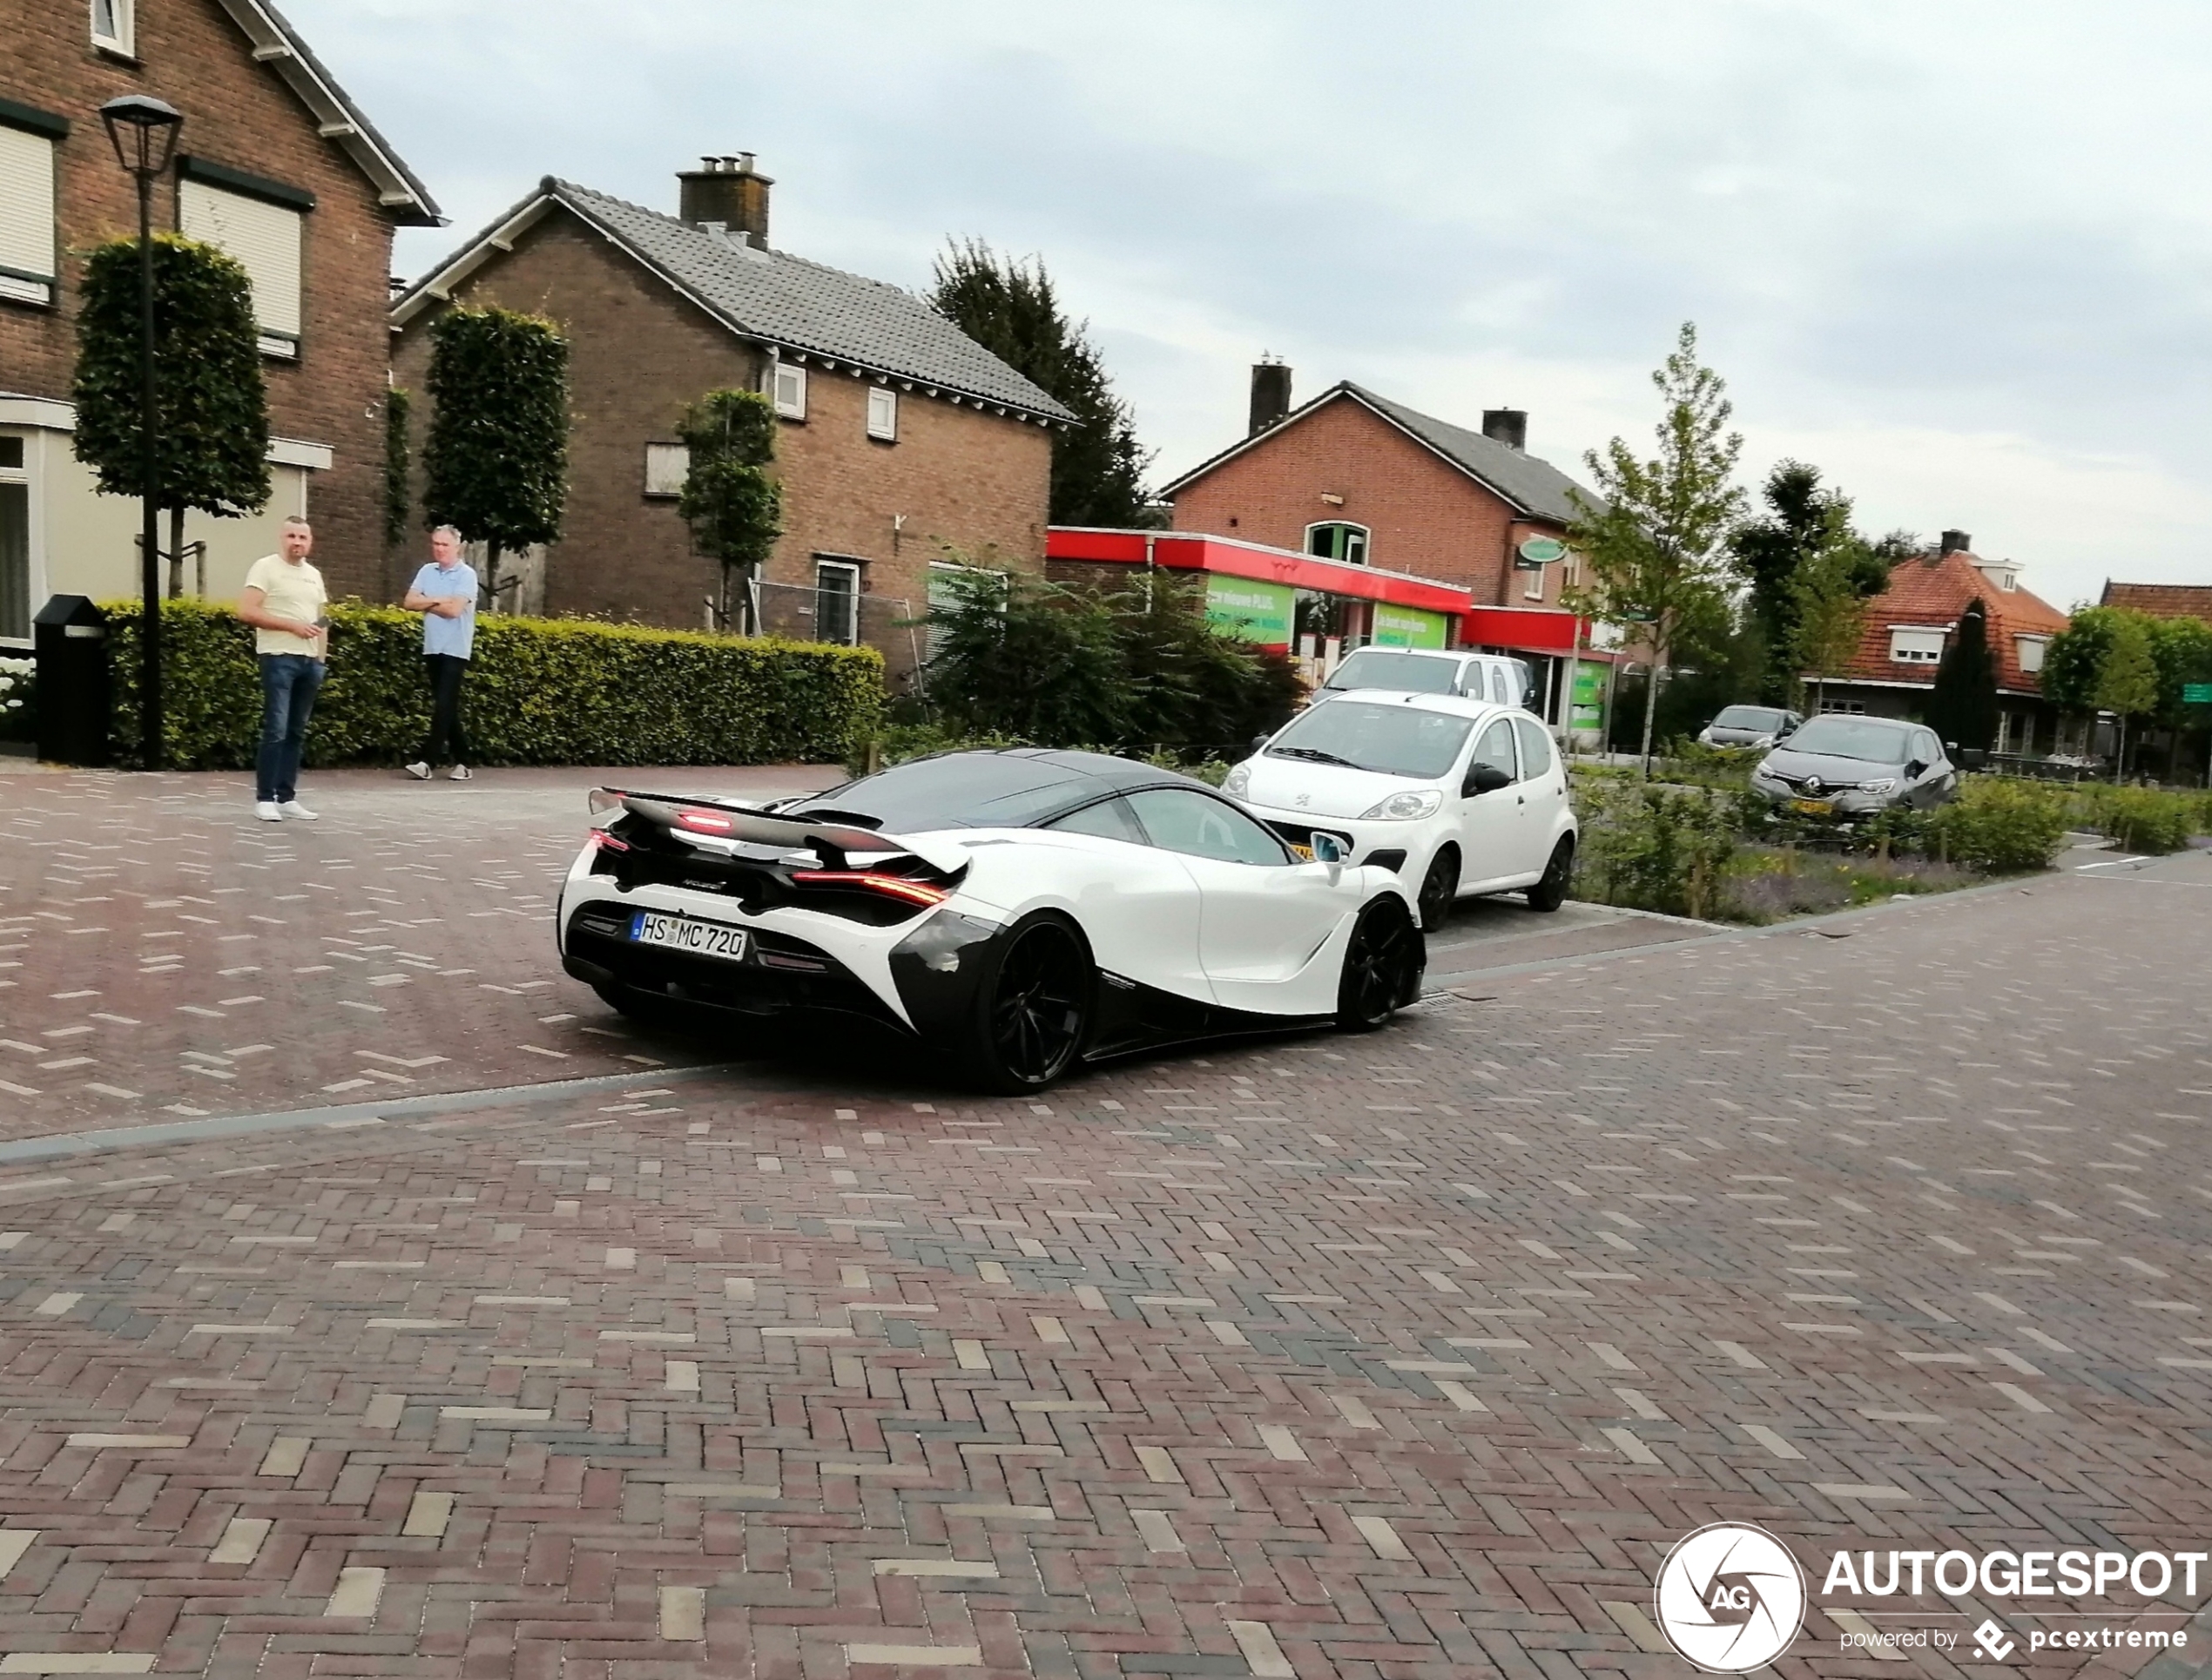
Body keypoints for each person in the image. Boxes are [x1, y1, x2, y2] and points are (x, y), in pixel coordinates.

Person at [237, 515, 327, 822]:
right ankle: (264, 798)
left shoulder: (314, 575)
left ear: (310, 542)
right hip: (278, 657)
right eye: (291, 536)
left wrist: (321, 661)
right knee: (275, 729)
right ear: (282, 538)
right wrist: (292, 626)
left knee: (296, 732)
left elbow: (322, 619)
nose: (297, 543)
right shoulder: (265, 568)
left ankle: (287, 796)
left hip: (309, 662)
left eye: (302, 538)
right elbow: (246, 610)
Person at [401, 526, 478, 781]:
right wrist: (440, 600)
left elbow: (455, 610)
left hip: (456, 648)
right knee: (447, 708)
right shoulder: (427, 571)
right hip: (433, 646)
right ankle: (464, 761)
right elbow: (409, 602)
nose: (439, 549)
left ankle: (427, 761)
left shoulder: (467, 575)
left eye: (445, 545)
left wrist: (427, 601)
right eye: (436, 544)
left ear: (457, 547)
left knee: (444, 704)